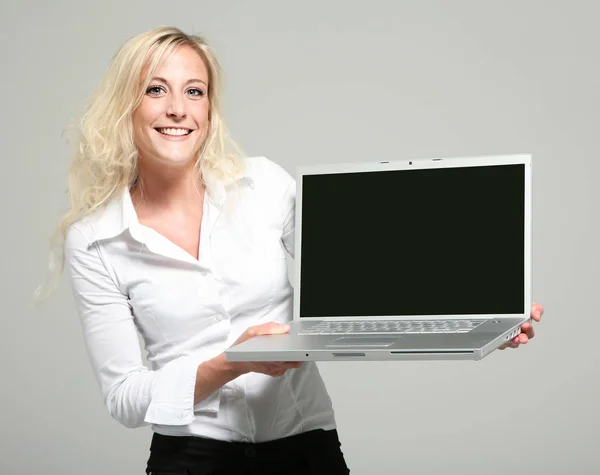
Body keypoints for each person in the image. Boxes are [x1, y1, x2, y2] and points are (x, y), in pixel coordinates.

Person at [40, 26, 544, 475]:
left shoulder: (261, 184)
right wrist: (235, 362)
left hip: (307, 448)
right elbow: (125, 398)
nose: (178, 109)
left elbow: (369, 278)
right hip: (192, 460)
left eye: (195, 92)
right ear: (126, 105)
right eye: (156, 90)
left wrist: (479, 319)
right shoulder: (97, 238)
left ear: (209, 109)